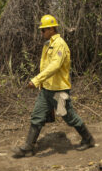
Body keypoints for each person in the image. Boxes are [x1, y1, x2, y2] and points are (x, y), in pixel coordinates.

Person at [12, 15, 95, 158]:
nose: (42, 32)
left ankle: (88, 139)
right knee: (37, 116)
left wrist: (36, 80)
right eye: (41, 30)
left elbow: (55, 66)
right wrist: (41, 84)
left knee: (69, 116)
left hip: (59, 91)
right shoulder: (48, 44)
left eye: (44, 30)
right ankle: (28, 147)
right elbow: (45, 66)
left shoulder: (59, 44)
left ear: (52, 29)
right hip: (46, 90)